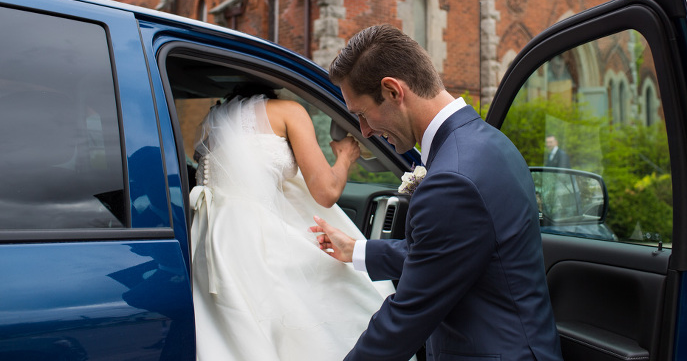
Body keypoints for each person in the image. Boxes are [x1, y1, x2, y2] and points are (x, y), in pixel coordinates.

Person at [311, 25, 563, 361]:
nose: (365, 131)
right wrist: (357, 250)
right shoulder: (488, 142)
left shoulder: (453, 180)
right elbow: (447, 253)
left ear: (392, 91)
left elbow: (406, 317)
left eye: (362, 114)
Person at [190, 84, 394, 360]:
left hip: (211, 235)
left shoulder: (213, 120)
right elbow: (326, 192)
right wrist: (345, 157)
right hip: (256, 234)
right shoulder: (289, 111)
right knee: (356, 288)